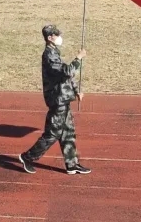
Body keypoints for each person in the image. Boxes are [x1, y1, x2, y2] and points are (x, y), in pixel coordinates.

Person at [20, 25, 90, 175]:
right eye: (57, 35)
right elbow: (67, 71)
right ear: (50, 37)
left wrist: (75, 91)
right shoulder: (49, 55)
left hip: (63, 99)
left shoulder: (55, 52)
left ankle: (72, 164)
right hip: (57, 100)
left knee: (68, 132)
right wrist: (78, 58)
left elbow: (65, 76)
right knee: (52, 134)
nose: (59, 37)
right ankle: (27, 157)